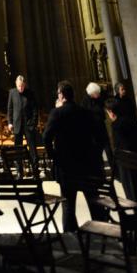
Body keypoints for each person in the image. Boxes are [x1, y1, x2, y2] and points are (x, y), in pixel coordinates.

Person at [43, 80, 105, 232]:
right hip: (86, 164)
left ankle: (71, 237)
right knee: (94, 203)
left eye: (58, 93)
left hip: (66, 166)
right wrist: (94, 156)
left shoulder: (57, 113)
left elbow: (46, 137)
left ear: (62, 95)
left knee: (68, 205)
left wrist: (53, 156)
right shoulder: (85, 112)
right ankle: (102, 231)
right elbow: (99, 136)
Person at [105, 97, 137, 205]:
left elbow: (117, 147)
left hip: (127, 164)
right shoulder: (131, 121)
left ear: (111, 112)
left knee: (132, 197)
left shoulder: (116, 126)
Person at [81, 82, 111, 161]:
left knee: (107, 147)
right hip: (92, 129)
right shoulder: (85, 101)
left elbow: (107, 98)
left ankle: (114, 168)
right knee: (97, 149)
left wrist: (103, 89)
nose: (98, 94)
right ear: (92, 93)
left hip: (101, 126)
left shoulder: (99, 98)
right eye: (97, 93)